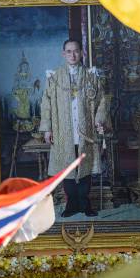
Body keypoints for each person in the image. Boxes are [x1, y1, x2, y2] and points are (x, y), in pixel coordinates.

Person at [39, 38, 107, 217]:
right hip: (63, 131)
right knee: (67, 167)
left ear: (81, 53)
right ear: (64, 54)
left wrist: (99, 120)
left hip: (86, 132)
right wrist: (47, 128)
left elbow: (102, 101)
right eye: (68, 51)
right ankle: (72, 204)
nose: (73, 55)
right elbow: (46, 104)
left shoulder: (91, 76)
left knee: (85, 167)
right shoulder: (54, 77)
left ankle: (85, 204)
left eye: (76, 51)